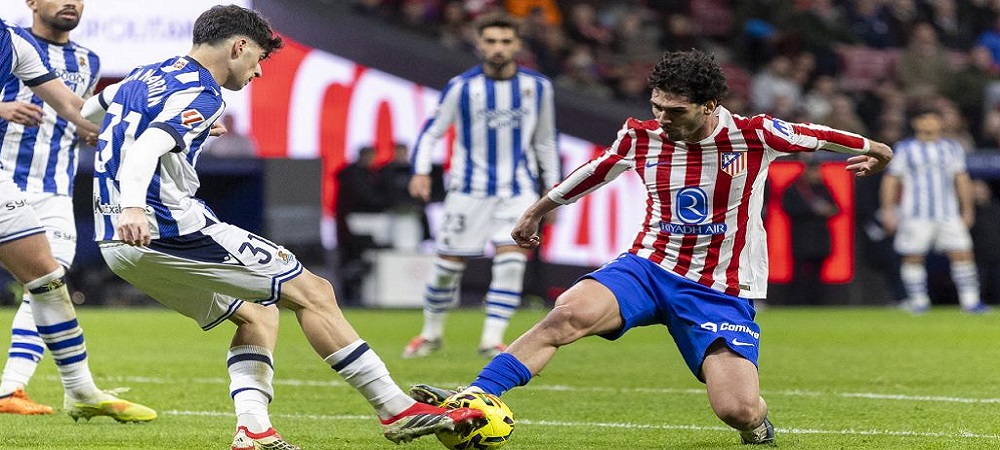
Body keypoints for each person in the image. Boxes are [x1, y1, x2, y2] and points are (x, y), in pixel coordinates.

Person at [408, 49, 893, 445]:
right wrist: (536, 211)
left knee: (737, 410)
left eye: (674, 111)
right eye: (657, 106)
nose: (662, 118)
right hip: (647, 266)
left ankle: (758, 426)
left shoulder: (754, 134)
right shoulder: (640, 137)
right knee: (566, 315)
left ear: (709, 105)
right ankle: (474, 397)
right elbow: (595, 172)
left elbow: (823, 137)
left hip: (718, 287)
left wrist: (878, 151)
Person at [80, 5, 483, 449]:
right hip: (164, 227)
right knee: (315, 292)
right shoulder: (203, 92)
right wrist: (134, 207)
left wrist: (101, 134)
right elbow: (145, 149)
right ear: (239, 46)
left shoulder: (146, 74)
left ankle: (253, 429)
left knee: (258, 312)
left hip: (116, 243)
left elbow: (93, 108)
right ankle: (395, 408)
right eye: (258, 59)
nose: (257, 72)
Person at [0, 2, 156, 421]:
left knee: (47, 280)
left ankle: (43, 388)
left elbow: (73, 107)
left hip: (43, 186)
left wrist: (160, 130)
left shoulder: (18, 45)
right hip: (10, 171)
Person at [404, 12, 559, 359]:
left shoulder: (538, 87)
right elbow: (431, 132)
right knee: (447, 269)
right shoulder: (462, 87)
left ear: (517, 45)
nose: (498, 48)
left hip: (517, 190)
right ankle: (430, 333)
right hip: (467, 191)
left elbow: (546, 142)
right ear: (478, 45)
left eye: (505, 41)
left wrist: (552, 195)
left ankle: (492, 339)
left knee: (511, 263)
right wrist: (420, 171)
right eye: (491, 41)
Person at [879, 107, 990, 314]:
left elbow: (961, 178)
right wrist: (888, 210)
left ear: (940, 123)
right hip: (915, 214)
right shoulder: (904, 148)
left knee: (963, 253)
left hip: (947, 213)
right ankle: (918, 301)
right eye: (925, 119)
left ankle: (970, 301)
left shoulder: (952, 148)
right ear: (916, 123)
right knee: (913, 256)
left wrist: (967, 209)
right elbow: (891, 180)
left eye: (934, 119)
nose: (929, 123)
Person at [781, 157, 838, 304]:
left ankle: (816, 302)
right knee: (799, 272)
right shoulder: (795, 188)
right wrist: (812, 210)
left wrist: (826, 210)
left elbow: (835, 208)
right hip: (802, 237)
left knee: (818, 273)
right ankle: (796, 302)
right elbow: (788, 208)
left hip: (820, 238)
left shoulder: (823, 188)